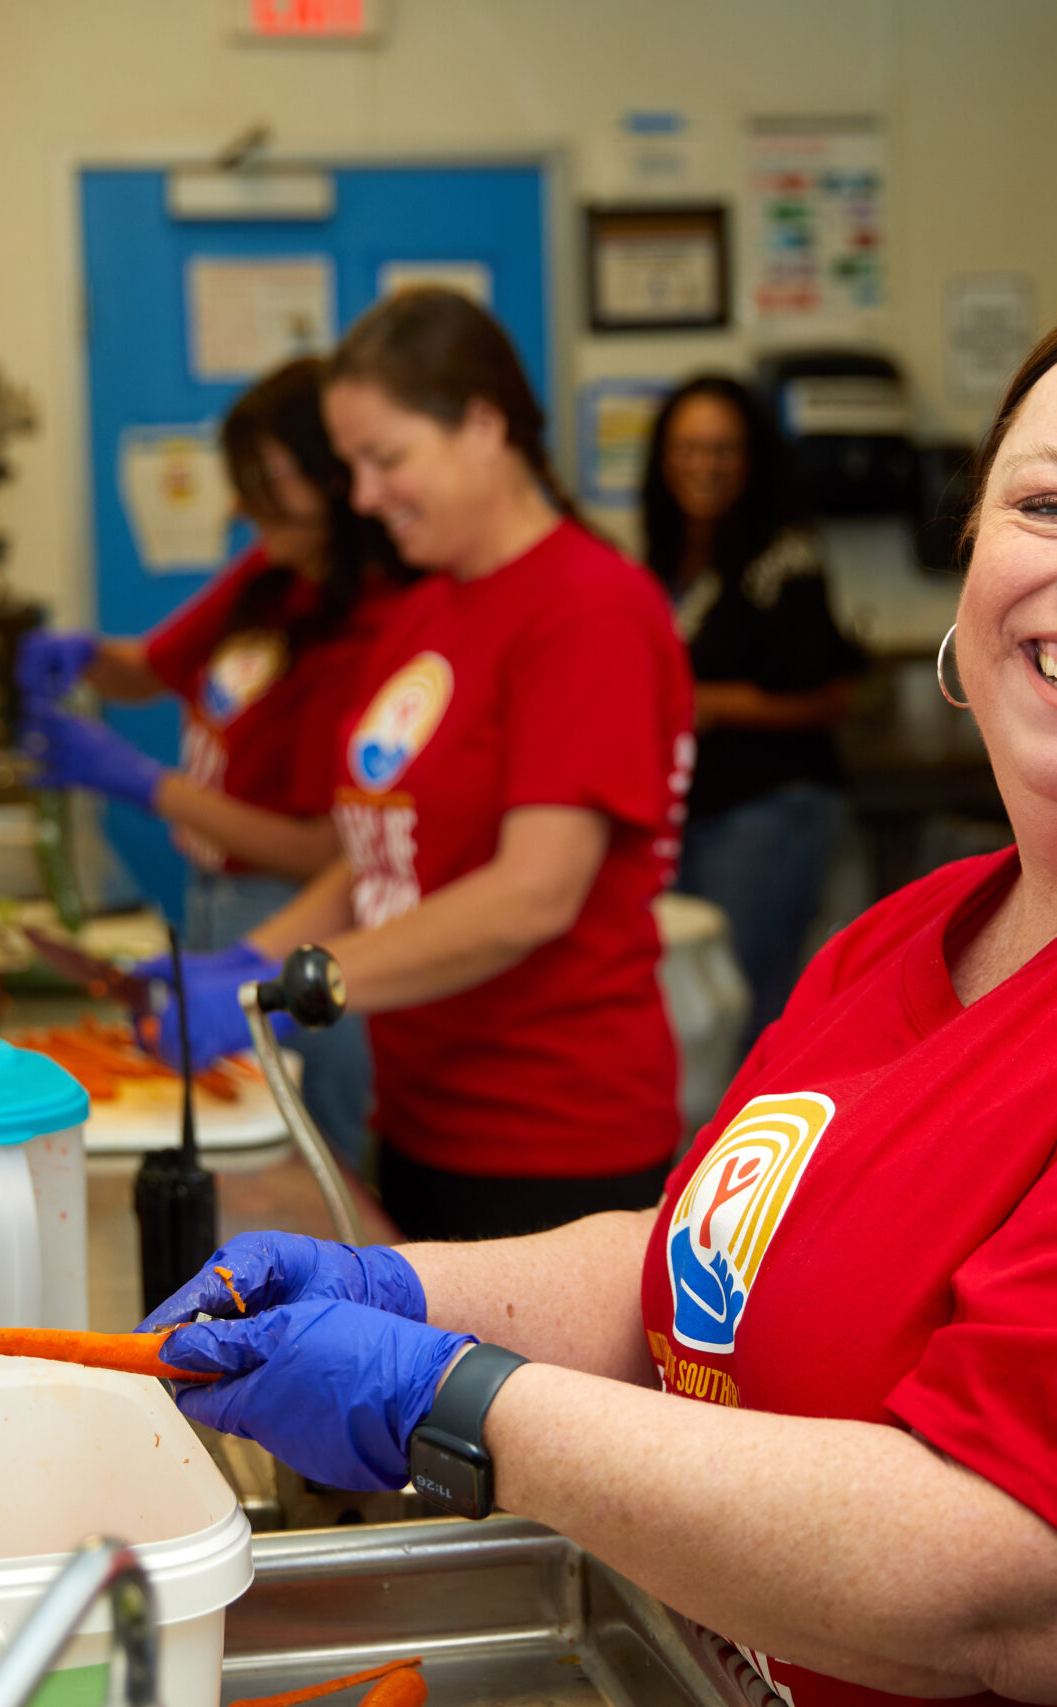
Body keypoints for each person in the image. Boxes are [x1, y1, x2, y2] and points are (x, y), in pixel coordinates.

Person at [135, 279, 1057, 1705]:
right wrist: (407, 1285)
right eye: (1049, 506)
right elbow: (707, 1261)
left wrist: (450, 1400)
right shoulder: (924, 927)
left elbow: (1022, 1584)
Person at [149, 288, 696, 1242]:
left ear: (484, 425)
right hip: (419, 1123)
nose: (361, 497)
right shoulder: (428, 607)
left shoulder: (588, 608)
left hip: (552, 1150)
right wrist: (252, 955)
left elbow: (533, 893)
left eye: (385, 458)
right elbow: (373, 856)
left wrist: (287, 986)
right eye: (352, 464)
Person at [17, 357, 407, 1165]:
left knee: (314, 1151)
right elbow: (152, 664)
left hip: (315, 922)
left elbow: (319, 850)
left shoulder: (380, 625)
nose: (237, 506)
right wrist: (84, 655)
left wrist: (144, 781)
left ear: (336, 474)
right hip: (218, 906)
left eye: (263, 479)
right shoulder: (268, 579)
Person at [639, 375, 866, 1052]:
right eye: (688, 448)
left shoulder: (784, 554)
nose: (703, 466)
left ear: (752, 457)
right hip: (690, 812)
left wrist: (707, 703)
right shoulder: (667, 552)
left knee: (743, 1006)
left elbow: (831, 695)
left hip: (769, 811)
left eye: (722, 449)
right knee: (694, 1000)